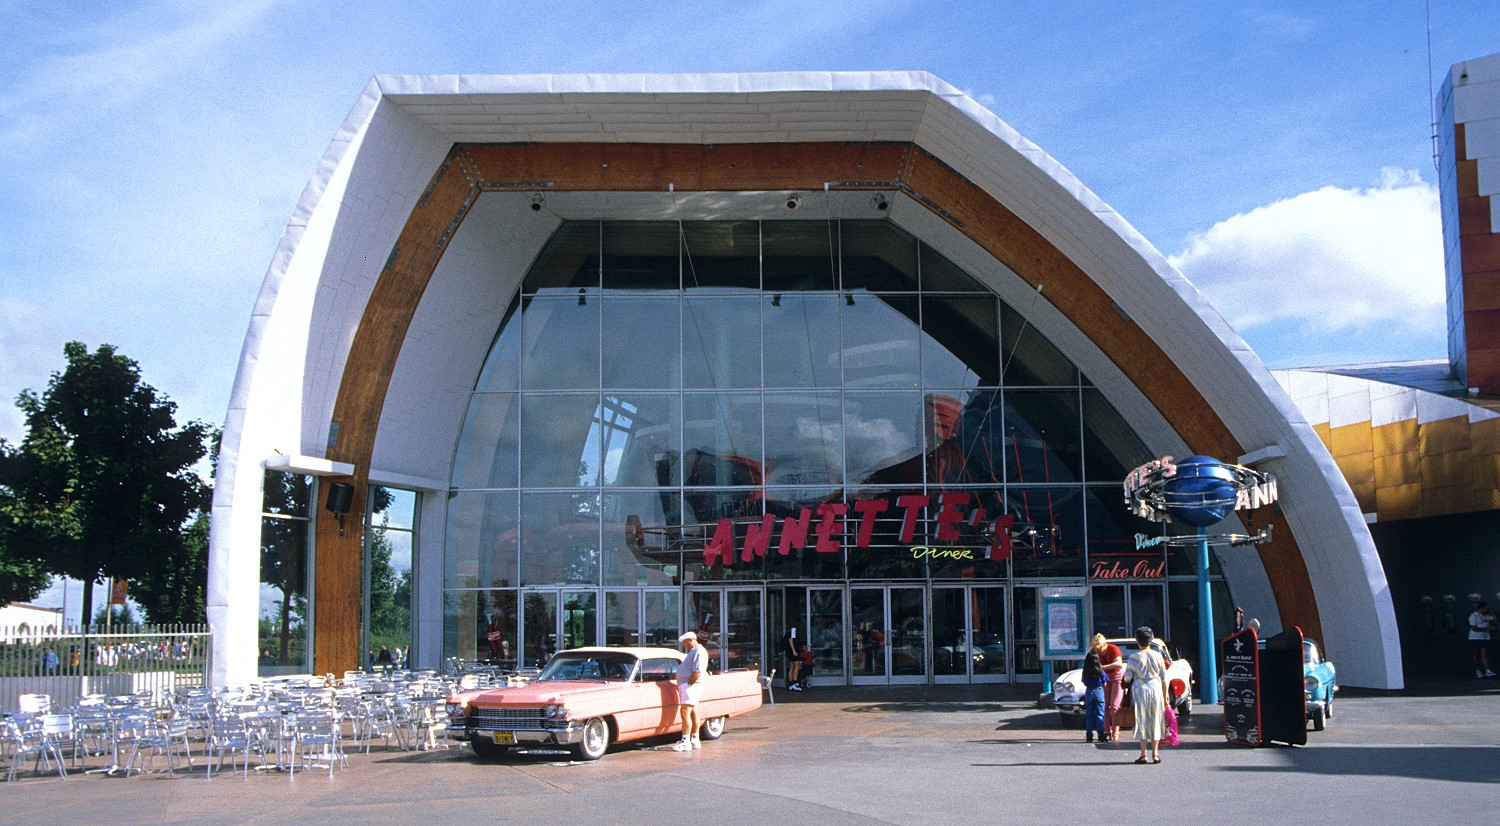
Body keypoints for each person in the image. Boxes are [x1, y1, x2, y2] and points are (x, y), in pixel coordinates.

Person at [1124, 625, 1168, 764]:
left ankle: (1143, 754)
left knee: (1142, 719)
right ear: (1151, 640)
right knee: (1156, 719)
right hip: (1156, 688)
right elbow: (1164, 678)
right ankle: (1155, 754)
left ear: (1138, 640)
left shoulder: (1134, 657)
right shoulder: (1158, 656)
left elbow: (1127, 678)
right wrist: (1165, 696)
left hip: (1140, 688)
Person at [673, 631, 708, 751]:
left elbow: (697, 671)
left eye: (685, 643)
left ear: (690, 640)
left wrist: (688, 684)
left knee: (685, 713)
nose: (684, 646)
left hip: (690, 685)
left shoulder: (698, 651)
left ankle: (685, 741)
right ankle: (694, 739)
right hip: (691, 685)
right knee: (693, 712)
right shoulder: (695, 651)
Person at [1082, 634, 1109, 743]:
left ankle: (1089, 735)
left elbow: (1083, 681)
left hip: (1089, 690)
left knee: (1089, 714)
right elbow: (1105, 682)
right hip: (1098, 690)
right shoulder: (1100, 672)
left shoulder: (1086, 672)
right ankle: (1101, 734)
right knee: (1099, 714)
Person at [1099, 636, 1125, 741]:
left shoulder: (1113, 649)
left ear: (1103, 645)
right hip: (1106, 678)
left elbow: (1119, 663)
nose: (1098, 651)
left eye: (1099, 648)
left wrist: (1103, 667)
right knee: (1105, 705)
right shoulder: (1097, 653)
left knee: (1114, 706)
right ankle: (1106, 730)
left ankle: (1115, 732)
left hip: (1117, 677)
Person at [1470, 601, 1497, 678]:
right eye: (1485, 608)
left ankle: (1487, 670)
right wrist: (1485, 629)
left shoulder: (1486, 616)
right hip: (1475, 638)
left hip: (1485, 638)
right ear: (1480, 608)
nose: (1486, 610)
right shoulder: (1473, 616)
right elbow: (1474, 628)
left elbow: (1495, 620)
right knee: (1476, 654)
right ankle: (1477, 670)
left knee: (1484, 654)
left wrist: (1491, 612)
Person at [784, 623, 802, 690]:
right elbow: (791, 640)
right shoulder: (793, 630)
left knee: (792, 666)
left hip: (789, 651)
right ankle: (795, 682)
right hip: (793, 651)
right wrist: (794, 650)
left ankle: (791, 683)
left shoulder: (788, 632)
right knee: (796, 666)